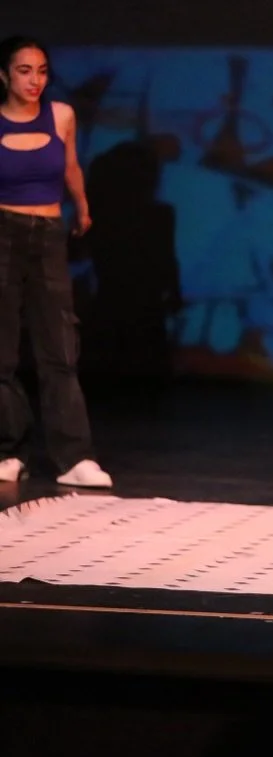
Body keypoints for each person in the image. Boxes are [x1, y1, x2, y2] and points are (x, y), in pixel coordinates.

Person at [0, 35, 112, 488]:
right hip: (2, 233)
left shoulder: (61, 115)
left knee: (59, 347)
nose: (35, 80)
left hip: (47, 234)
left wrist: (81, 206)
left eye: (42, 71)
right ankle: (8, 452)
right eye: (25, 70)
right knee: (2, 349)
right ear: (4, 75)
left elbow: (69, 166)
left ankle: (74, 456)